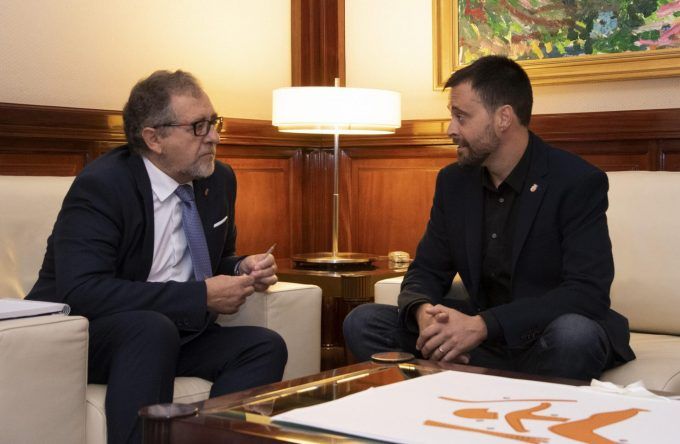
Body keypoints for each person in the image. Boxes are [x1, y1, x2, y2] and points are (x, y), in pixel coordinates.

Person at [27, 70, 287, 444]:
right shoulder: (103, 185)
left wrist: (240, 267)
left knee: (263, 345)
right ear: (154, 138)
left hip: (171, 329)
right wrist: (201, 296)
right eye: (198, 127)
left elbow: (213, 260)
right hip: (86, 333)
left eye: (214, 122)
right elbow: (82, 291)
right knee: (151, 329)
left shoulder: (218, 180)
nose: (214, 137)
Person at [343, 55, 634, 381]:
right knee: (365, 322)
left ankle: (481, 384)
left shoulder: (575, 181)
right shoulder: (454, 182)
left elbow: (587, 292)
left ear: (503, 118)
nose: (451, 129)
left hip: (542, 334)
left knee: (575, 335)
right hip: (485, 340)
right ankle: (474, 383)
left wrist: (482, 326)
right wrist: (423, 312)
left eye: (461, 117)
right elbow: (427, 270)